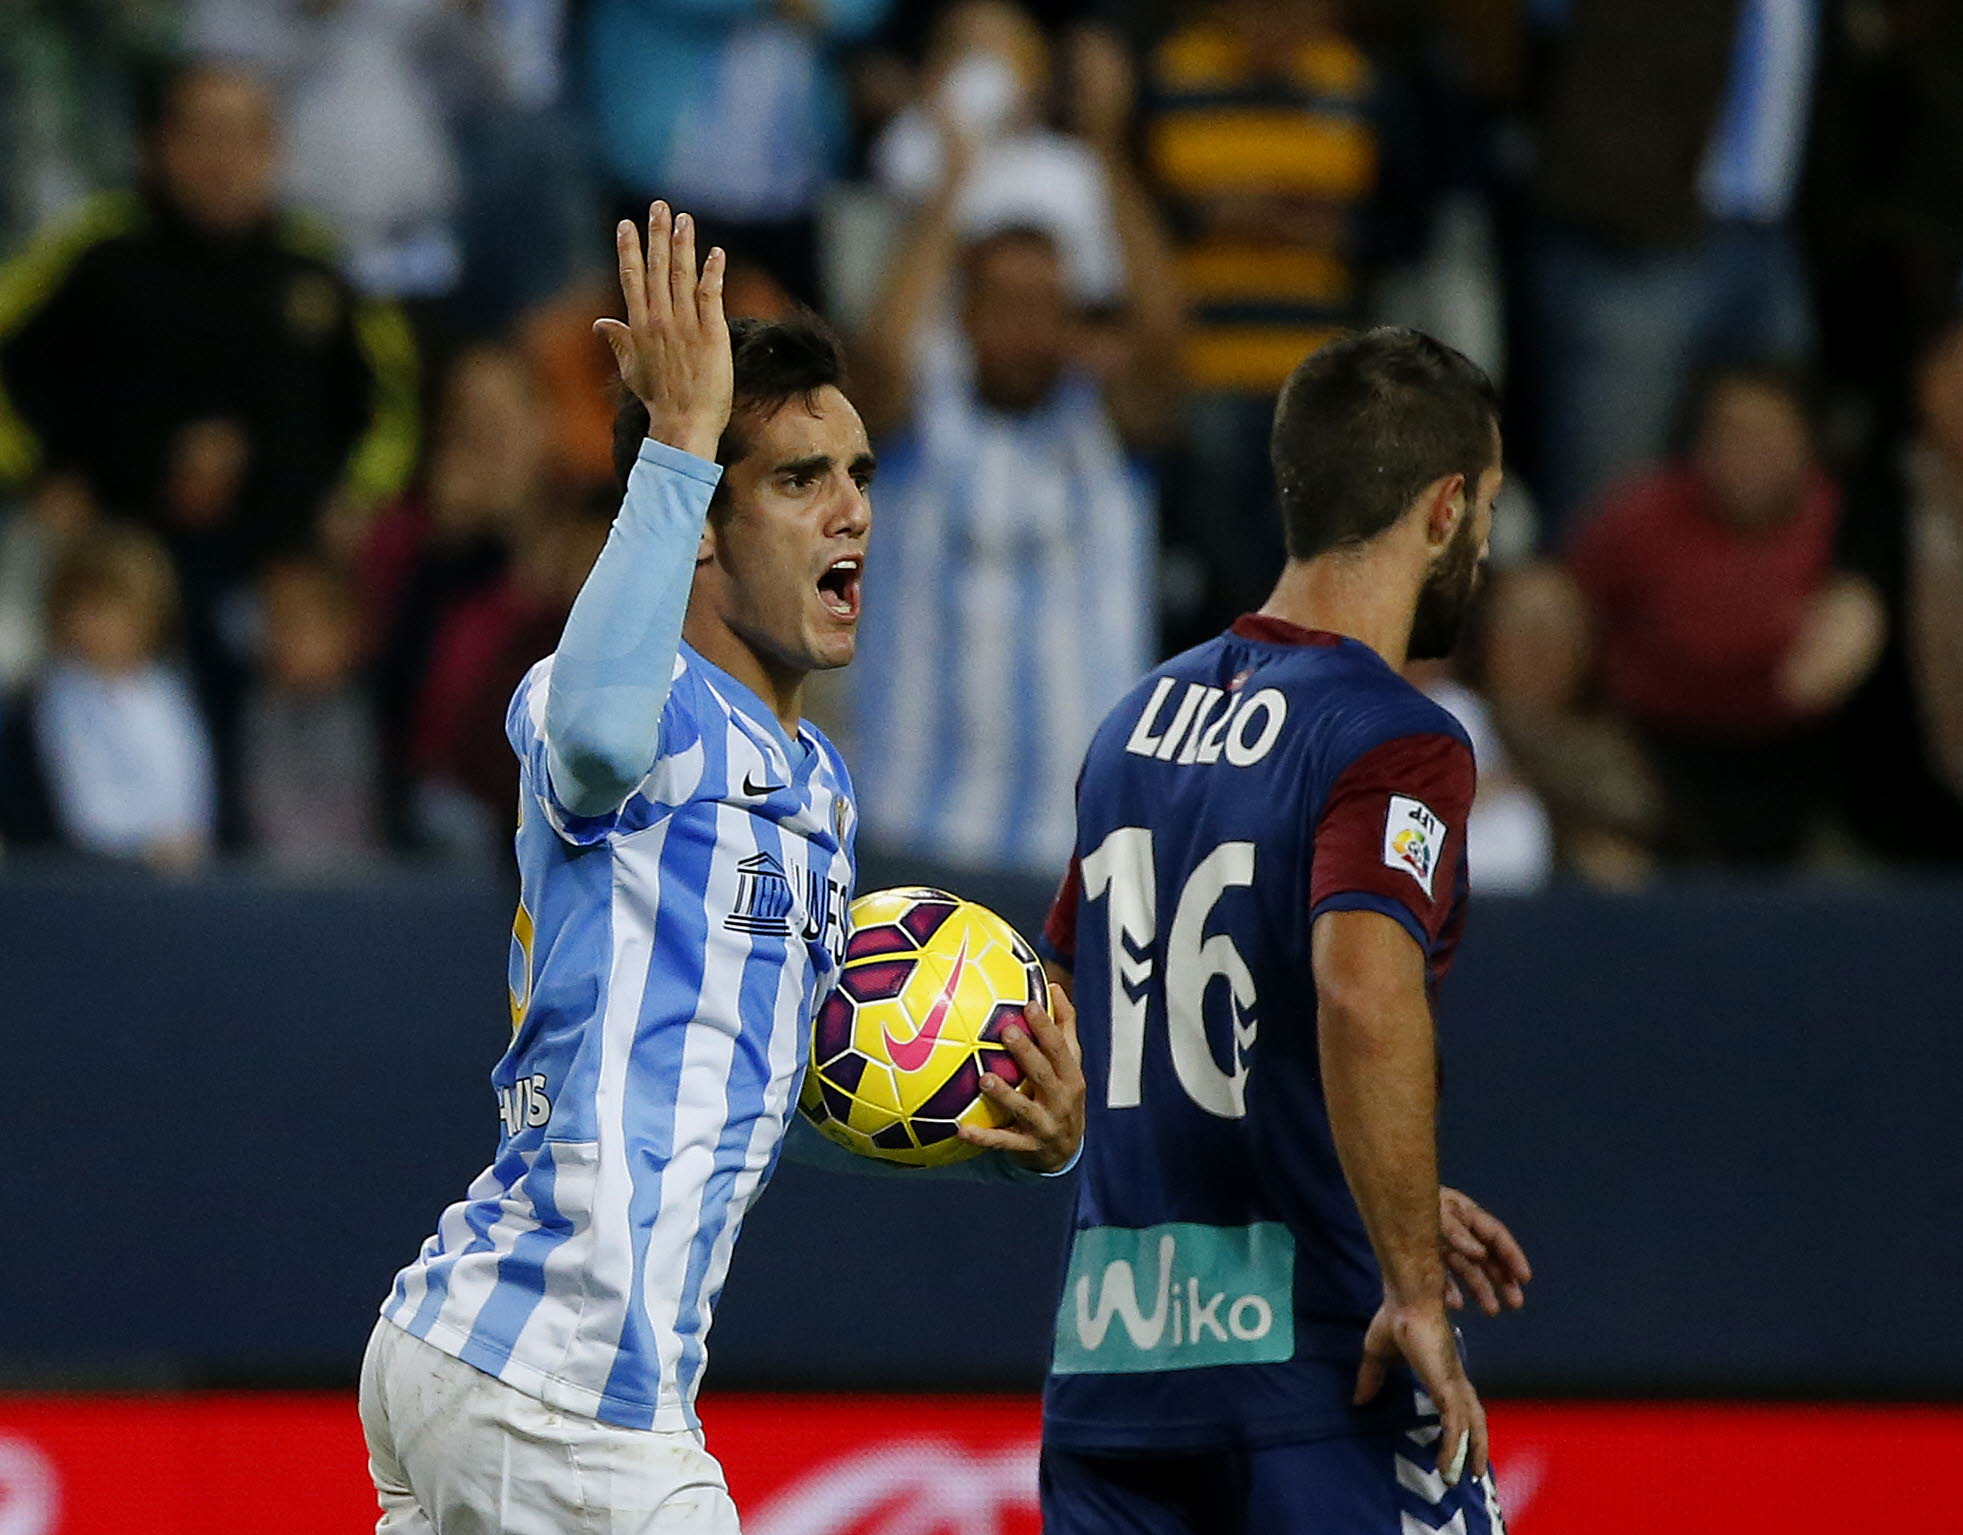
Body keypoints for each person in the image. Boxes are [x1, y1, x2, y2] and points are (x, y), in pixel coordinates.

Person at [359, 204, 1086, 1533]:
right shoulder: (637, 711)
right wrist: (676, 443)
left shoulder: (814, 782)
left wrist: (993, 1146)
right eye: (798, 479)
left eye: (858, 471)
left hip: (500, 1360)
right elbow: (582, 734)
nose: (850, 507)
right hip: (559, 1380)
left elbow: (744, 1092)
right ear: (697, 518)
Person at [1034, 328, 1530, 1533]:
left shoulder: (1133, 722)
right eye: (1488, 510)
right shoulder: (1395, 735)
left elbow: (1068, 1005)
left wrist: (1379, 1173)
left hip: (1114, 1378)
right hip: (1318, 1374)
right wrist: (1411, 1282)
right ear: (1446, 506)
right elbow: (1360, 989)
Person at [848, 68, 1183, 877]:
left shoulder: (1104, 426)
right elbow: (879, 354)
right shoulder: (911, 424)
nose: (1027, 326)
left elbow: (1166, 337)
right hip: (915, 831)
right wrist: (952, 187)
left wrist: (1106, 154)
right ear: (962, 314)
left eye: (1047, 304)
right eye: (1004, 302)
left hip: (1078, 847)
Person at [0, 523, 215, 870]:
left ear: (149, 616)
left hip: (172, 883)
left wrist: (181, 844)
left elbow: (191, 801)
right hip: (82, 886)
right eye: (81, 607)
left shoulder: (171, 694)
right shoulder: (44, 702)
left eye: (109, 609)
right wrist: (147, 847)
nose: (92, 624)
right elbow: (84, 815)